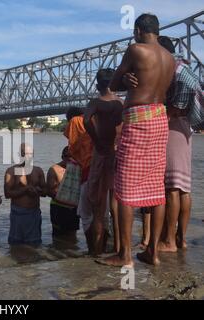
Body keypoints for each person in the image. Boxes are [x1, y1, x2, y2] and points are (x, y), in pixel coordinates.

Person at [99, 13, 175, 267]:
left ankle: (125, 255)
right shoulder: (170, 58)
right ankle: (152, 252)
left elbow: (113, 82)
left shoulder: (135, 50)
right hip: (160, 119)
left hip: (138, 118)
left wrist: (125, 78)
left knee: (125, 190)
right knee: (156, 189)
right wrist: (131, 79)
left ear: (139, 30)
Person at [124, 36, 196, 252]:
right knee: (183, 187)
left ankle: (169, 241)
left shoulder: (174, 68)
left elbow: (178, 103)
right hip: (184, 128)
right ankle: (179, 239)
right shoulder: (183, 67)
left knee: (172, 186)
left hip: (172, 125)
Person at [83, 68, 124, 255]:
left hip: (101, 153)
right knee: (117, 205)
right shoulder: (121, 103)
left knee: (99, 208)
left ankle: (97, 251)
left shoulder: (96, 102)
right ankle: (119, 248)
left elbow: (85, 120)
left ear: (98, 85)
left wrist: (96, 140)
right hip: (118, 154)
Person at [64, 107, 94, 253]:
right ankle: (104, 246)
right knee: (102, 213)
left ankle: (92, 249)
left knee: (85, 214)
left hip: (88, 171)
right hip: (104, 170)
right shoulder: (94, 120)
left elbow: (72, 148)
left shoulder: (76, 121)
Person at [4, 143, 46, 247]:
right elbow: (7, 194)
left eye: (30, 154)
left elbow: (45, 192)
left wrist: (37, 190)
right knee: (16, 244)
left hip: (34, 212)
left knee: (34, 244)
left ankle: (32, 261)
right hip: (18, 212)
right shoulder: (12, 171)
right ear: (20, 154)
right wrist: (25, 190)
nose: (27, 156)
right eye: (24, 154)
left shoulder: (38, 170)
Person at [46, 146, 80, 238]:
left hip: (73, 208)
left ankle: (70, 252)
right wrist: (64, 197)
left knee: (73, 235)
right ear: (62, 156)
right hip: (58, 207)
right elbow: (49, 191)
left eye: (72, 156)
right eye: (66, 156)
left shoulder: (77, 169)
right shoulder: (54, 169)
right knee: (58, 236)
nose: (69, 158)